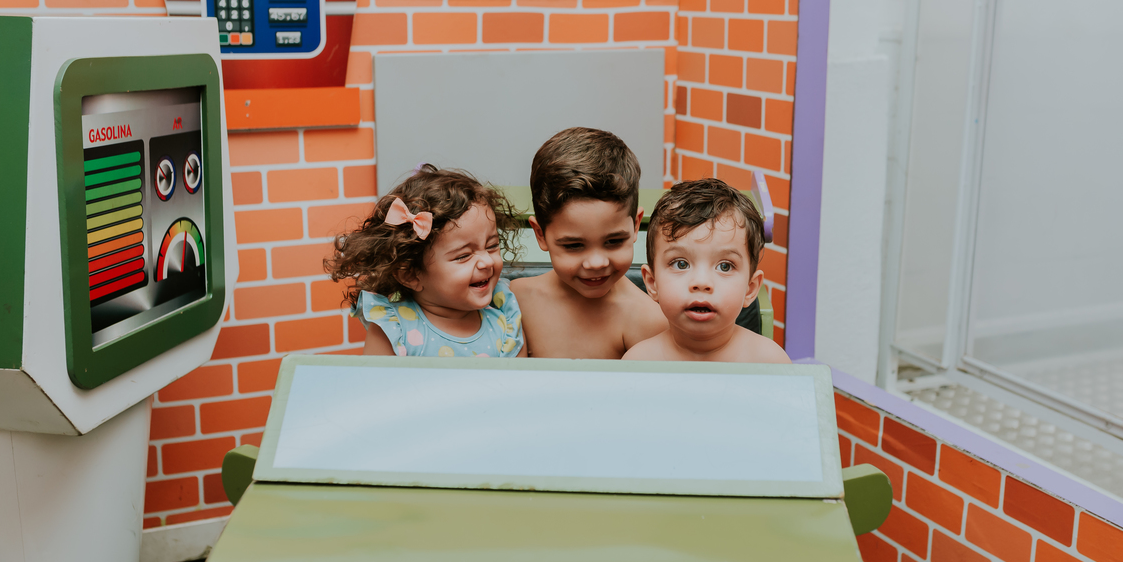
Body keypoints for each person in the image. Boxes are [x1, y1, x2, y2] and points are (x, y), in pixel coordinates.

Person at [326, 165, 524, 358]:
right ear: (410, 274)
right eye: (463, 256)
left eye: (491, 246)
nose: (487, 262)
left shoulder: (505, 321)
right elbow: (375, 387)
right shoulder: (395, 329)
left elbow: (519, 386)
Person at [511, 128, 667, 359]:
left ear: (635, 226)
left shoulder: (648, 320)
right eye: (574, 245)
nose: (596, 263)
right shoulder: (514, 301)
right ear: (540, 234)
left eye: (614, 241)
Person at [624, 178, 791, 363]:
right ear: (652, 283)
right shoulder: (638, 363)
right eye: (681, 264)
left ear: (750, 289)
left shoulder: (770, 362)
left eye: (724, 266)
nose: (701, 282)